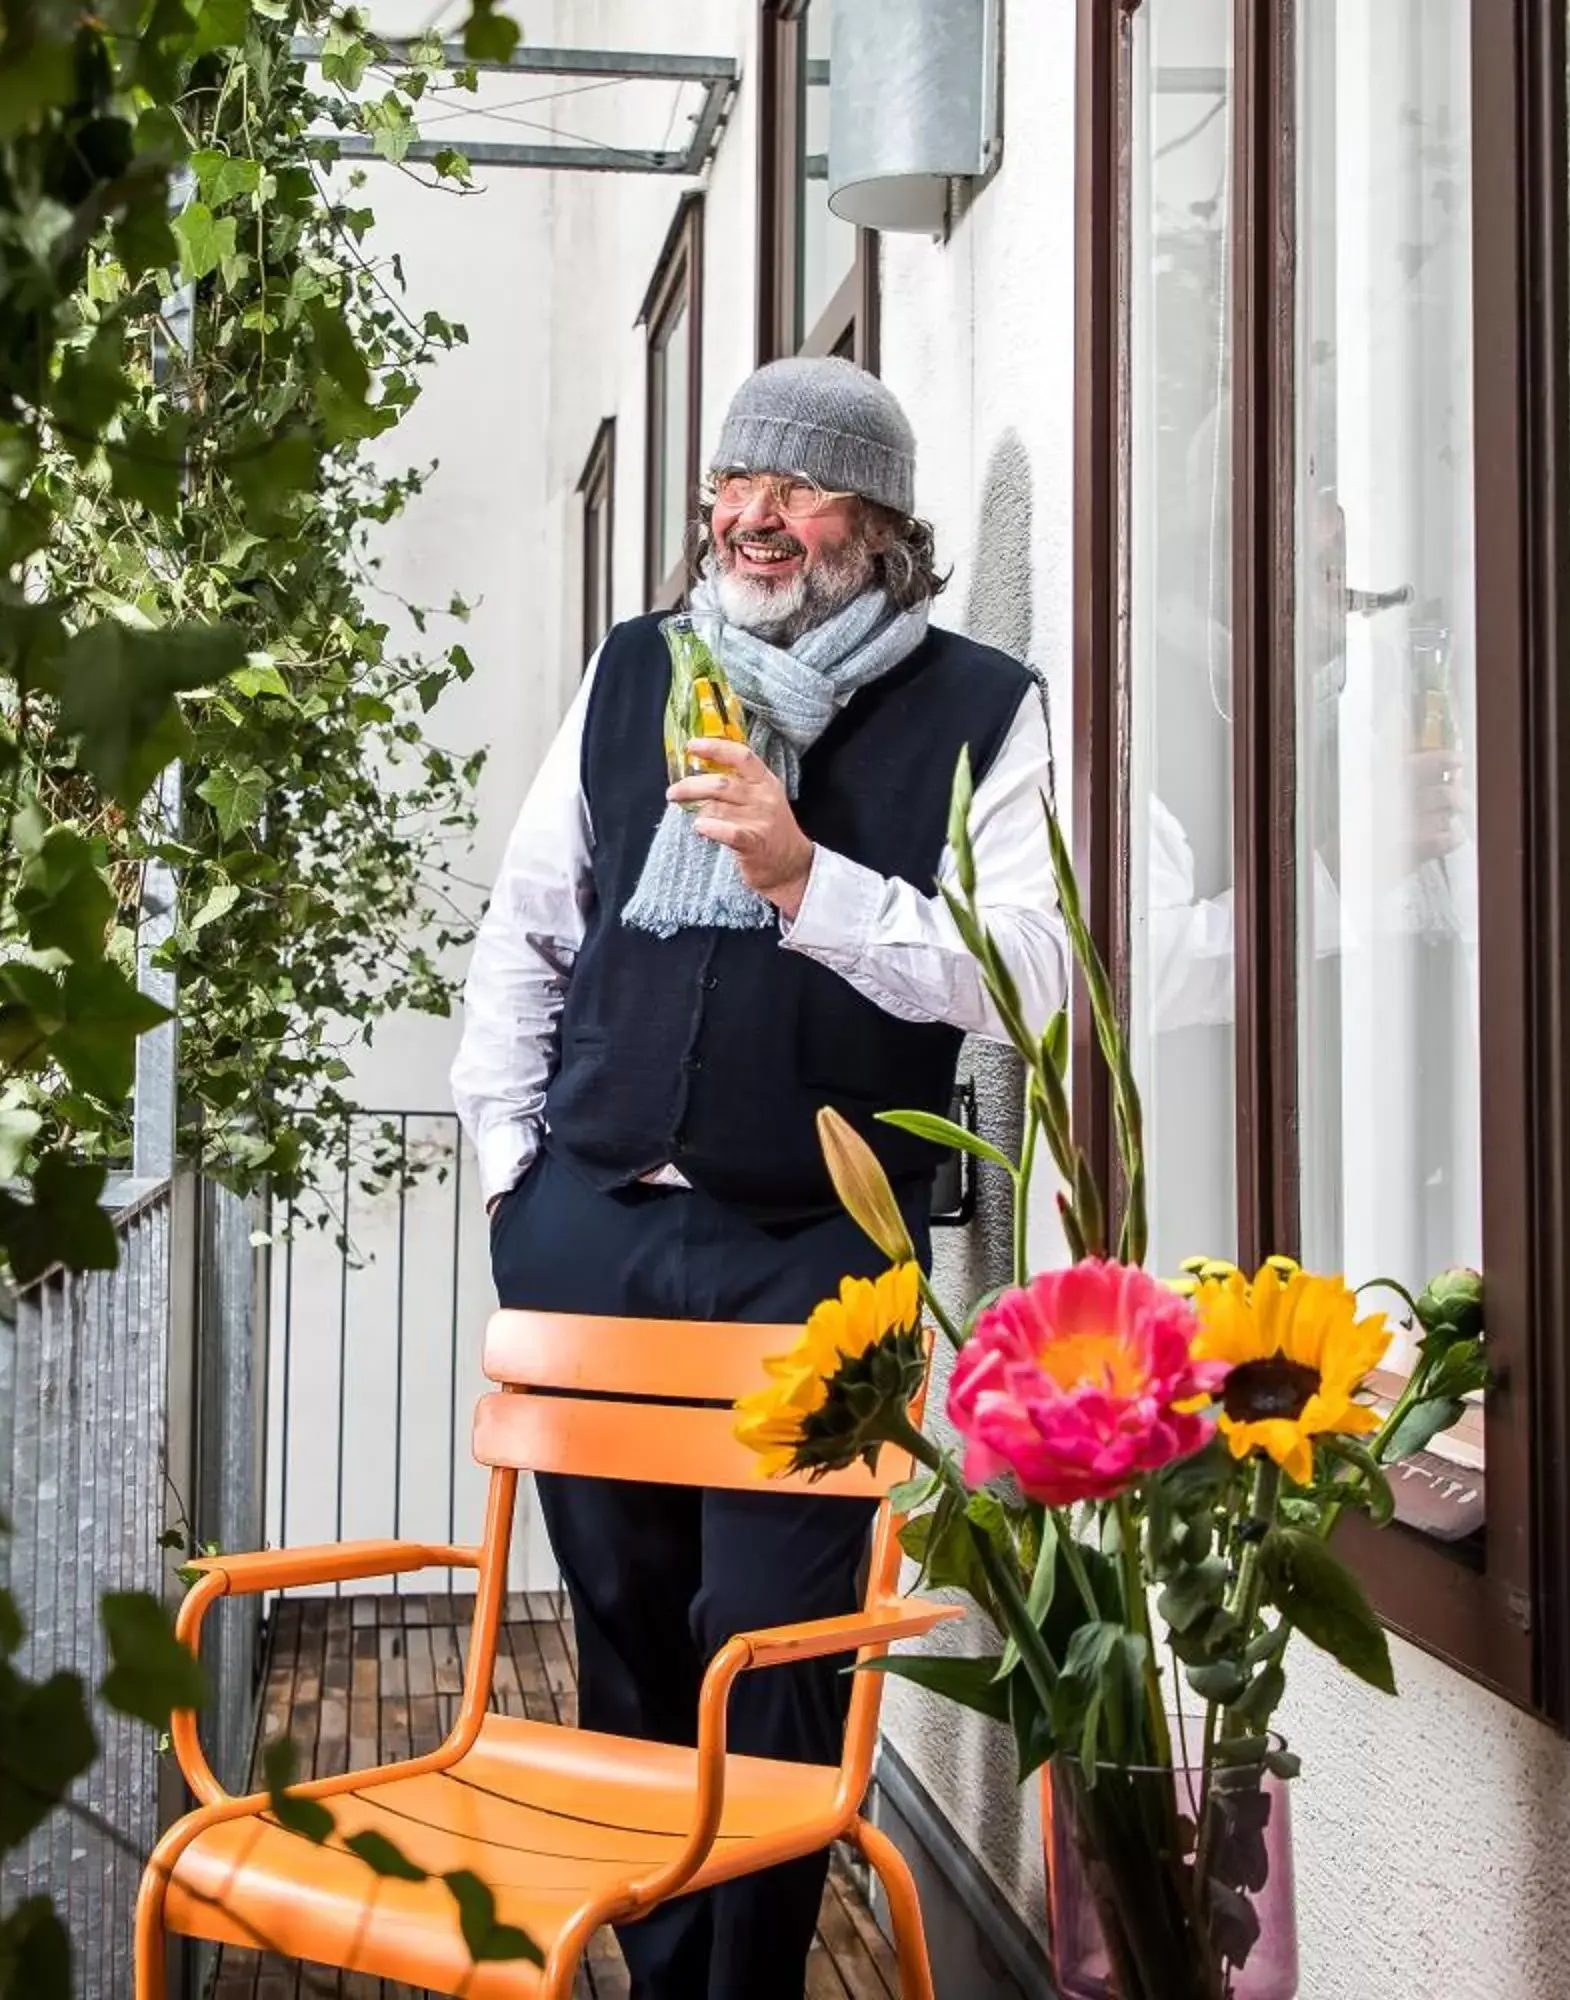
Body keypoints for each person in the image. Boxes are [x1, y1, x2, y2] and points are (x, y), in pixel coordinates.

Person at [448, 357, 1068, 1996]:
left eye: (794, 489)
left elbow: (1030, 980)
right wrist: (513, 1182)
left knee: (770, 1641)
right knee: (629, 1623)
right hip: (590, 1228)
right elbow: (524, 933)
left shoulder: (981, 707)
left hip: (813, 1250)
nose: (752, 517)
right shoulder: (638, 669)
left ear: (876, 522)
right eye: (737, 485)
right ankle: (662, 1981)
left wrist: (808, 877)